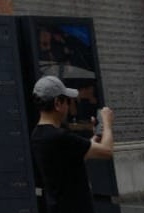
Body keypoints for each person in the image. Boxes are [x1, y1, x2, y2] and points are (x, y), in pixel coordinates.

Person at [30, 74, 114, 213]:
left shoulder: (38, 135)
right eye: (67, 101)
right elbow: (107, 151)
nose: (69, 106)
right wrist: (107, 122)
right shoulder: (60, 136)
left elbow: (72, 158)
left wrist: (94, 140)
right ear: (58, 103)